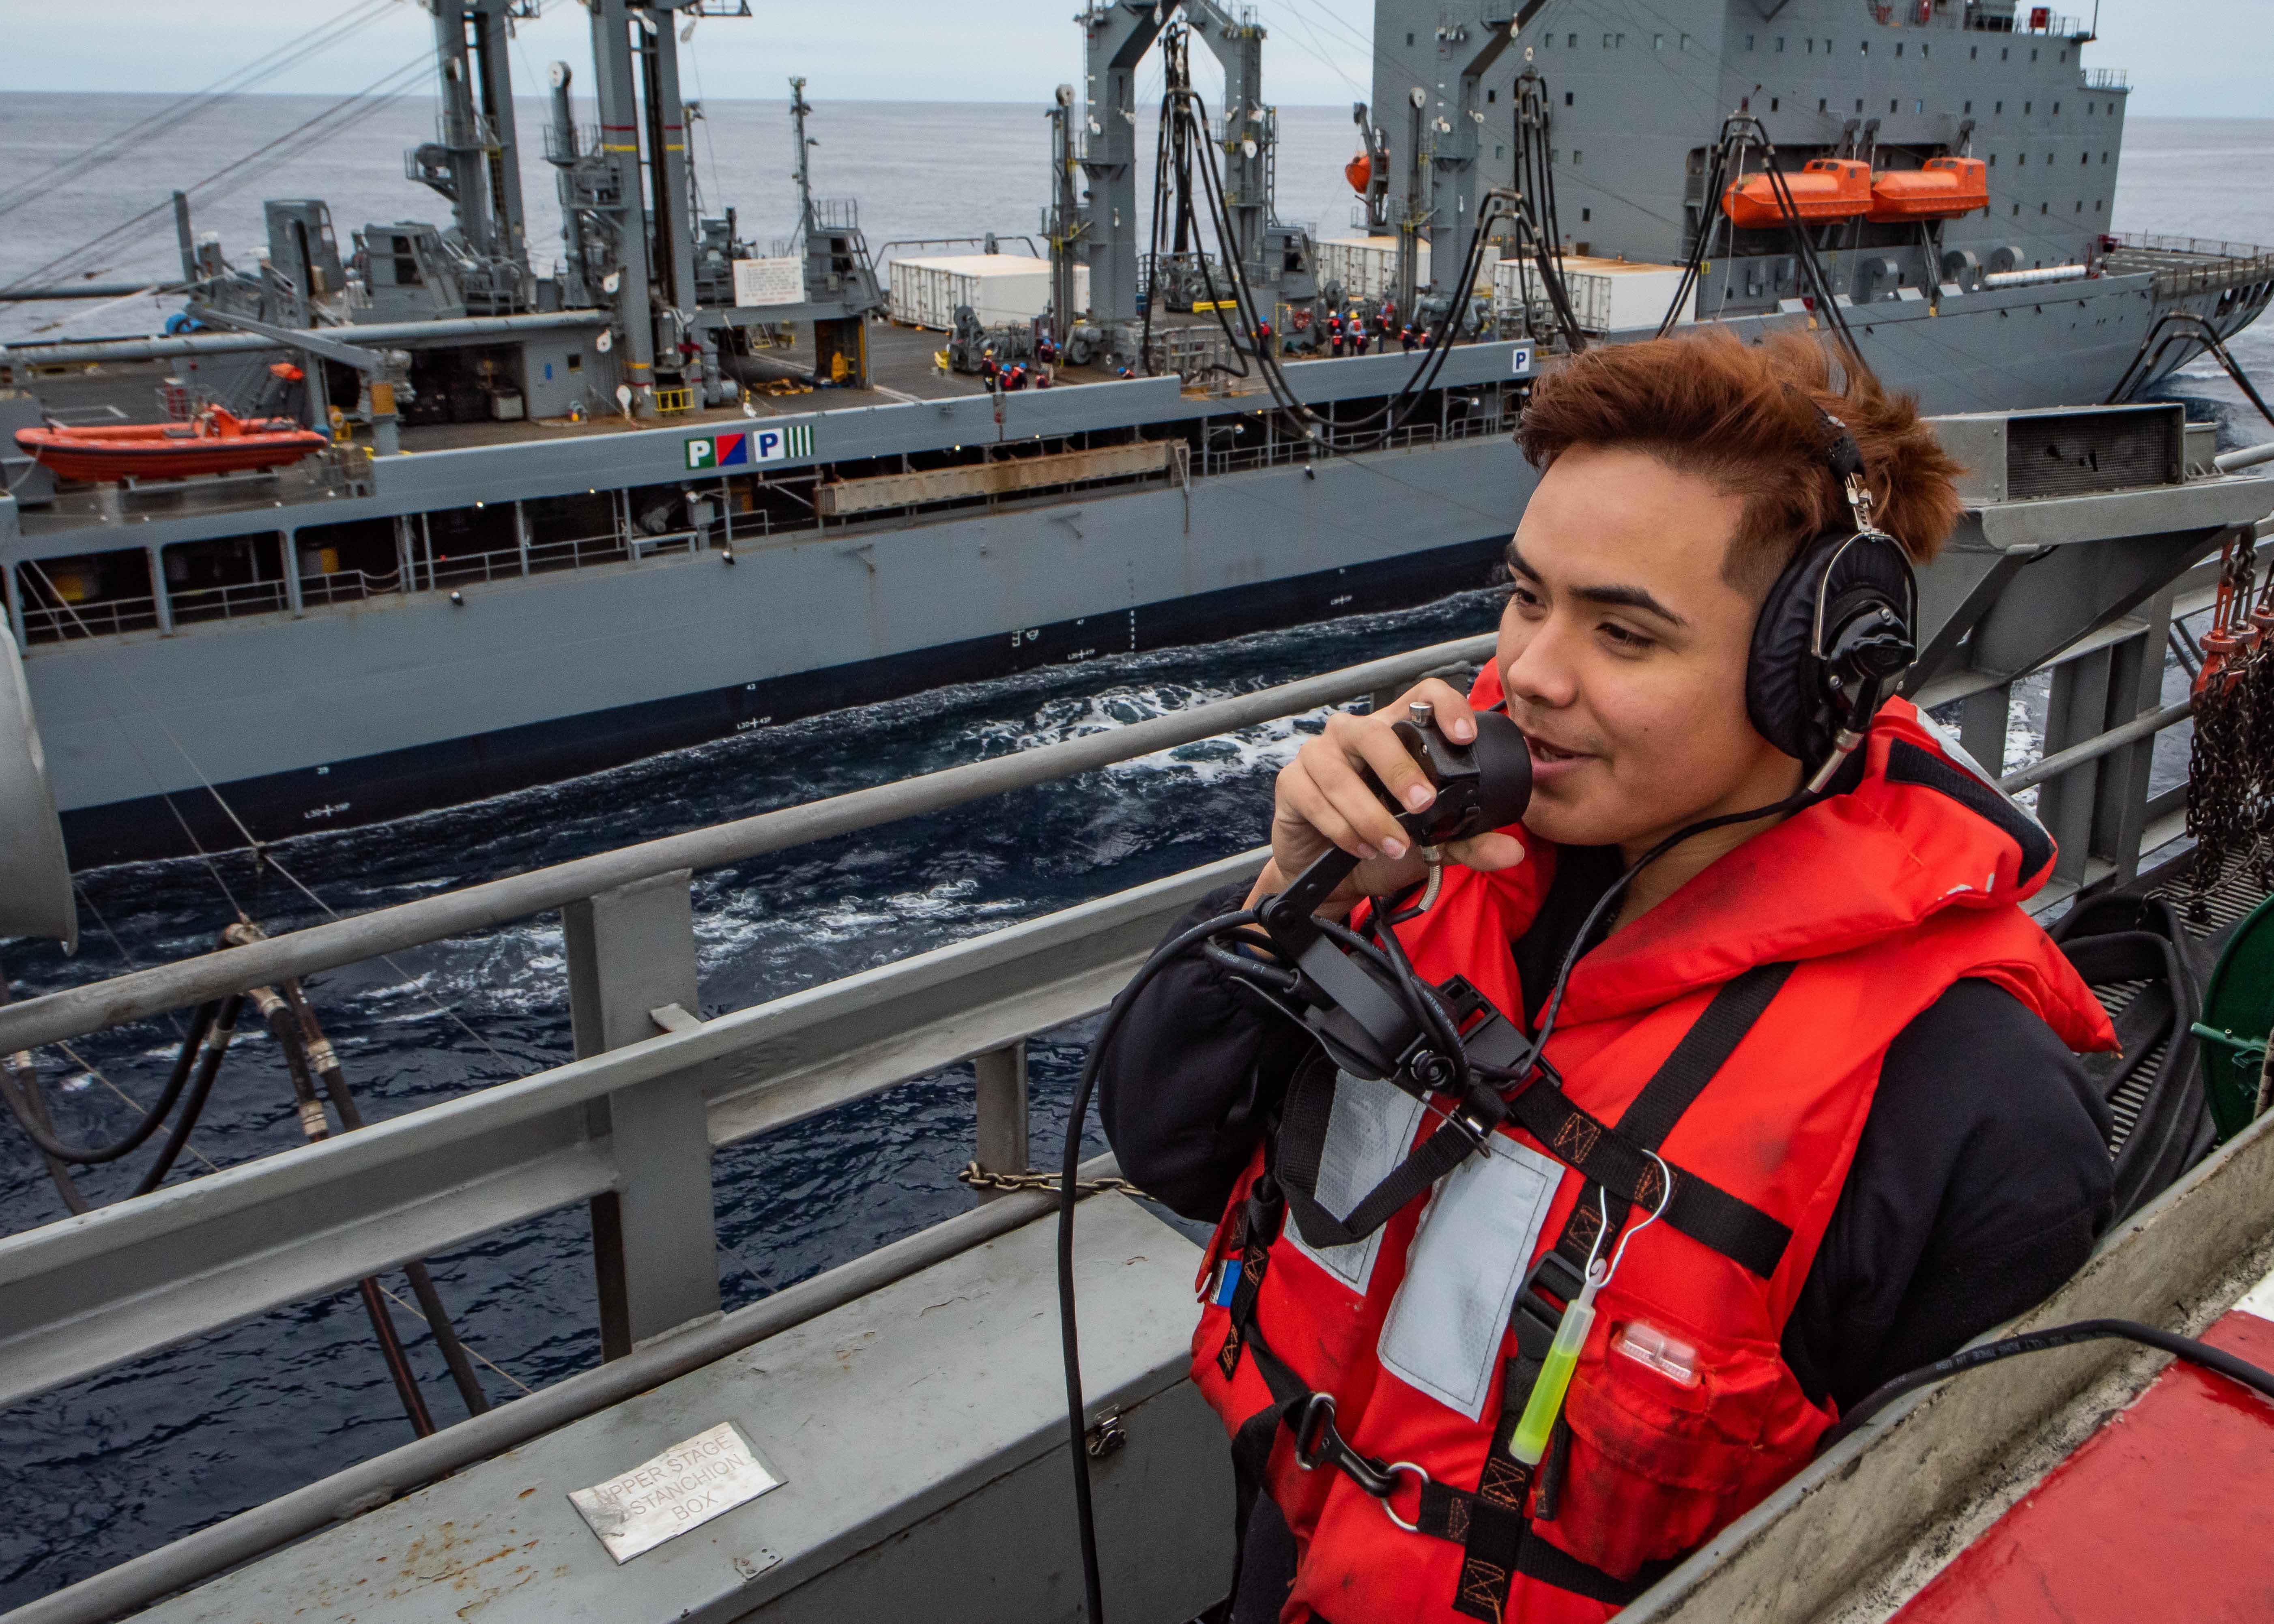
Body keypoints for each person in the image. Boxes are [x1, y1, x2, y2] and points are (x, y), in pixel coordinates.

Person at [1097, 330, 2117, 1624]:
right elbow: (1165, 1145)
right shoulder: (1429, 862)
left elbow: (1936, 1561)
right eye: (1527, 597)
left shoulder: (1967, 1107)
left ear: (1814, 677)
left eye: (1623, 633)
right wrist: (1284, 899)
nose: (1528, 672)